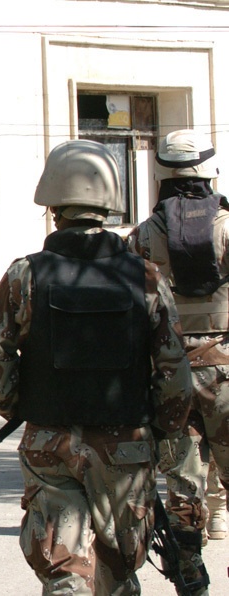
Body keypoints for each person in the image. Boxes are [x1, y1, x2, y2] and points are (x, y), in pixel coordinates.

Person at [0, 139, 193, 594]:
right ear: (111, 206)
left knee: (63, 569)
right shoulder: (149, 277)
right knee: (119, 568)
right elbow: (173, 370)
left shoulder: (23, 275)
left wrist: (31, 406)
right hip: (125, 446)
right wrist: (166, 429)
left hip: (49, 443)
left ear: (53, 208)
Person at [127, 128, 229, 592]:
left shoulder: (143, 238)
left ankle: (191, 579)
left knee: (184, 486)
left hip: (171, 374)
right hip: (227, 370)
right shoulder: (228, 225)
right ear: (209, 169)